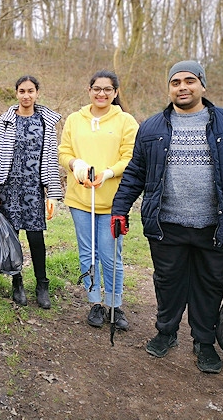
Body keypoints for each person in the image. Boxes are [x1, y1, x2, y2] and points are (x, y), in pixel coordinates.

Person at [112, 60, 223, 373]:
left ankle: (204, 342)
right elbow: (135, 172)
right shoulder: (151, 127)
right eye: (176, 82)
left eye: (189, 80)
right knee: (167, 282)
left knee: (211, 285)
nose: (182, 87)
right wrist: (120, 209)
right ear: (169, 88)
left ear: (202, 84)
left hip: (216, 225)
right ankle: (166, 332)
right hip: (167, 224)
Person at [59, 70, 138, 330]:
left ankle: (115, 305)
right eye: (97, 88)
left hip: (114, 202)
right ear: (89, 90)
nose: (101, 93)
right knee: (87, 253)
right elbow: (64, 152)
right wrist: (75, 164)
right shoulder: (74, 119)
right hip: (81, 199)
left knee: (110, 255)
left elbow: (131, 157)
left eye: (107, 89)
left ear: (115, 93)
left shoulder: (126, 121)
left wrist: (108, 173)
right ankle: (95, 302)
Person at [0, 75, 63, 308]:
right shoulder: (6, 121)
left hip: (34, 187)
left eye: (30, 91)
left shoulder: (45, 122)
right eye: (22, 91)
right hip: (9, 187)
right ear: (16, 93)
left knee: (36, 236)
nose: (26, 95)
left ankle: (42, 284)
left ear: (37, 92)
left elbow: (50, 158)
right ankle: (16, 281)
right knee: (13, 237)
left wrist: (52, 193)